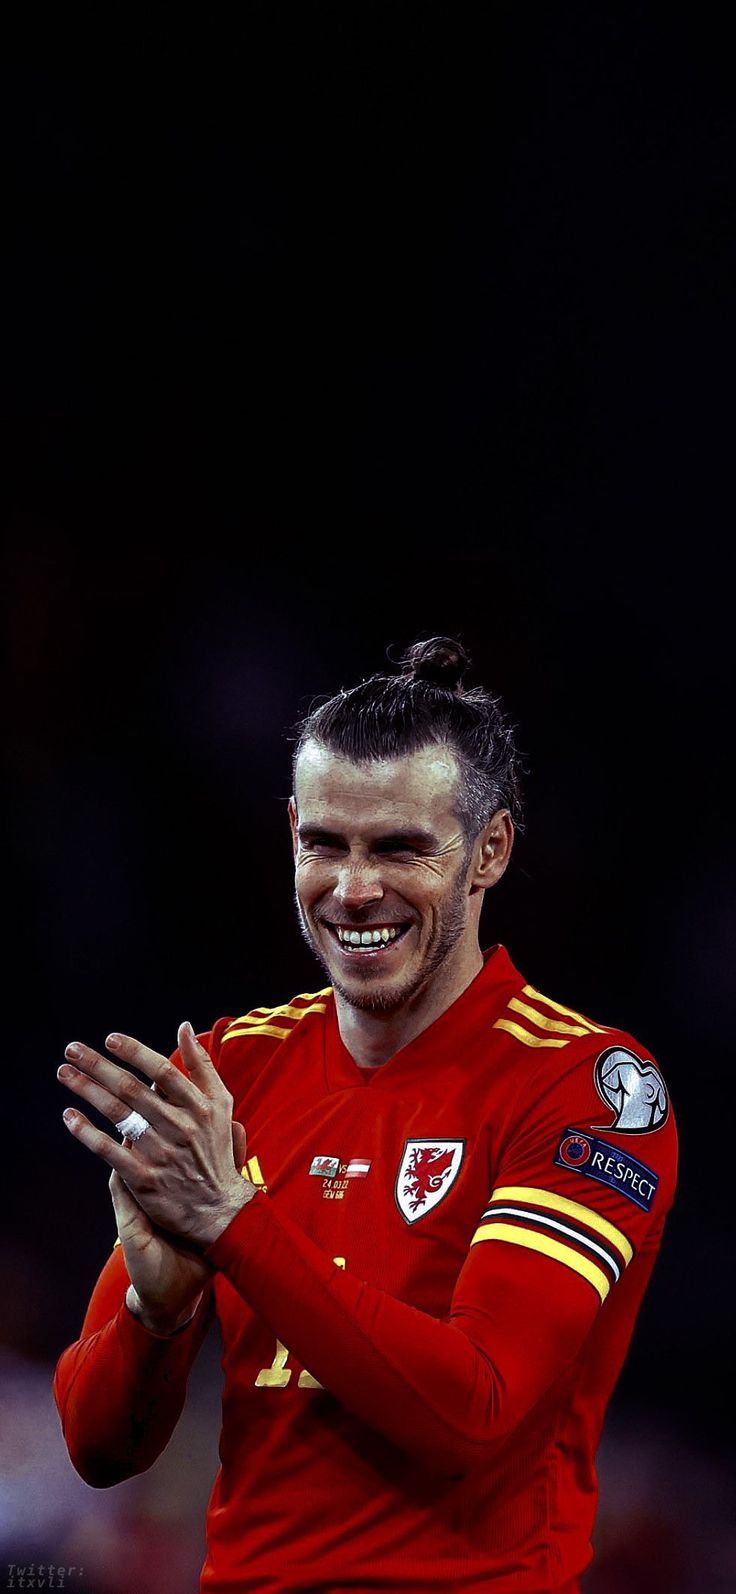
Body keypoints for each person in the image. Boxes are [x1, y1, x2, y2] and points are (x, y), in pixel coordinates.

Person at [53, 635, 677, 1594]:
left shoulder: (585, 1086)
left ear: (491, 852)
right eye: (325, 844)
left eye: (399, 848)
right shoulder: (235, 1071)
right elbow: (98, 1449)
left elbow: (474, 1412)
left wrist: (237, 1225)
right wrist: (158, 1313)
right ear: (292, 829)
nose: (353, 889)